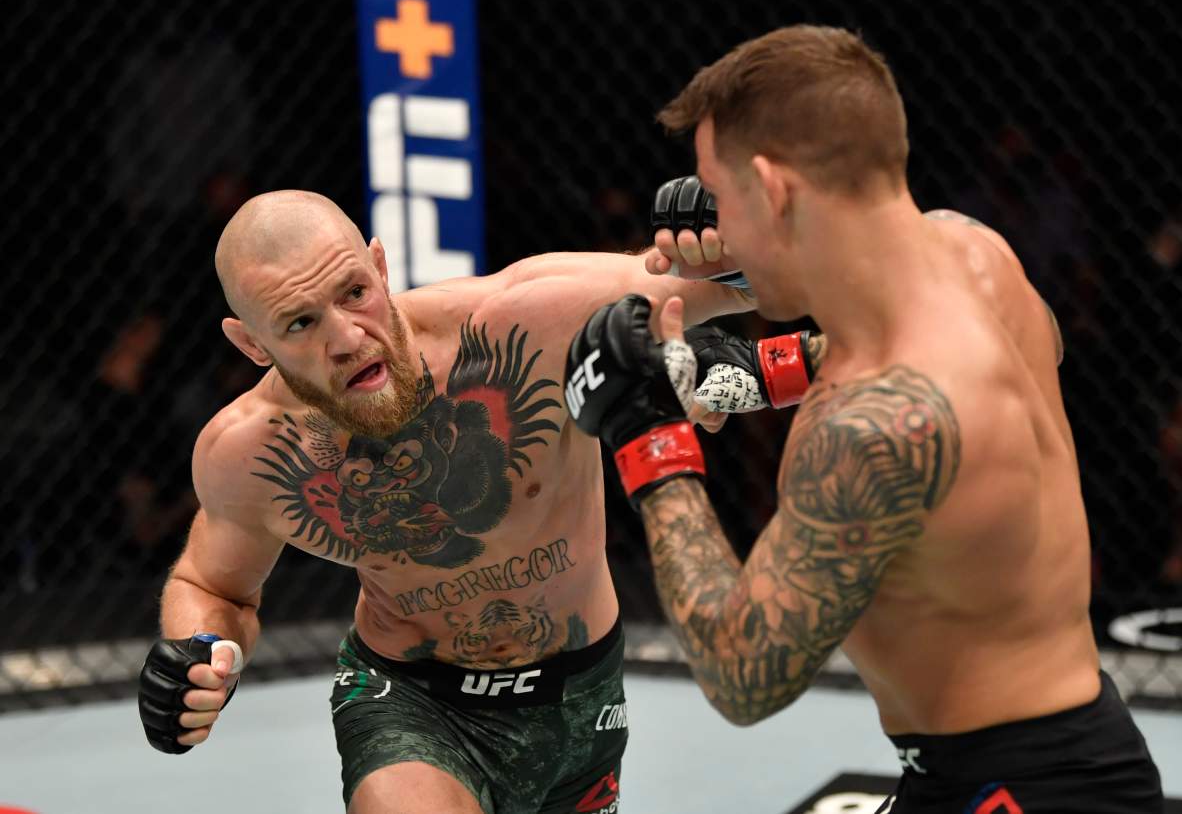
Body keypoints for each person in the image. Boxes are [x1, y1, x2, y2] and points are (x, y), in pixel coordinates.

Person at [565, 25, 1164, 812]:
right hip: (1054, 754)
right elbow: (1009, 348)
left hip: (1018, 790)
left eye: (724, 194)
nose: (720, 223)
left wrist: (645, 435)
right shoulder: (976, 254)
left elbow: (741, 672)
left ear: (775, 190)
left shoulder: (873, 429)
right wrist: (748, 359)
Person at [135, 189, 754, 814]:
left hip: (583, 692)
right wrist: (199, 655)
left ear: (380, 266)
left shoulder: (524, 320)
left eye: (354, 292)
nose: (347, 337)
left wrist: (722, 238)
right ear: (251, 344)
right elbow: (212, 586)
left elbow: (754, 277)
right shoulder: (249, 452)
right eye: (300, 323)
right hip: (409, 701)